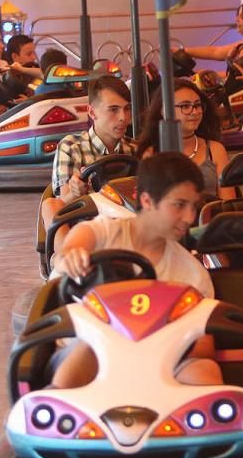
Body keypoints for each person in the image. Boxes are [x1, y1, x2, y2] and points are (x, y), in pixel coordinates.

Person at [50, 153, 217, 390]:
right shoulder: (105, 232)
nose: (190, 218)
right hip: (85, 350)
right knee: (93, 349)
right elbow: (71, 248)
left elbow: (204, 344)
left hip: (158, 362)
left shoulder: (193, 274)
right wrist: (71, 258)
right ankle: (55, 412)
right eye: (179, 205)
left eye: (194, 206)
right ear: (148, 201)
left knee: (204, 370)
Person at [42, 75, 137, 233]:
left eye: (126, 109)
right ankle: (65, 256)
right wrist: (74, 192)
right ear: (92, 113)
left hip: (127, 230)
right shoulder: (72, 147)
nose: (123, 118)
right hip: (88, 232)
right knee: (50, 206)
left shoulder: (135, 149)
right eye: (114, 110)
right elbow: (62, 206)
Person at [137, 78, 229, 199]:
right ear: (164, 111)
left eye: (197, 105)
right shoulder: (151, 154)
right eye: (185, 106)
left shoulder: (215, 150)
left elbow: (228, 205)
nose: (195, 111)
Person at [182, 1, 243, 79]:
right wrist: (184, 51)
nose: (236, 20)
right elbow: (215, 52)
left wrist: (206, 73)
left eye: (242, 17)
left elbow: (238, 77)